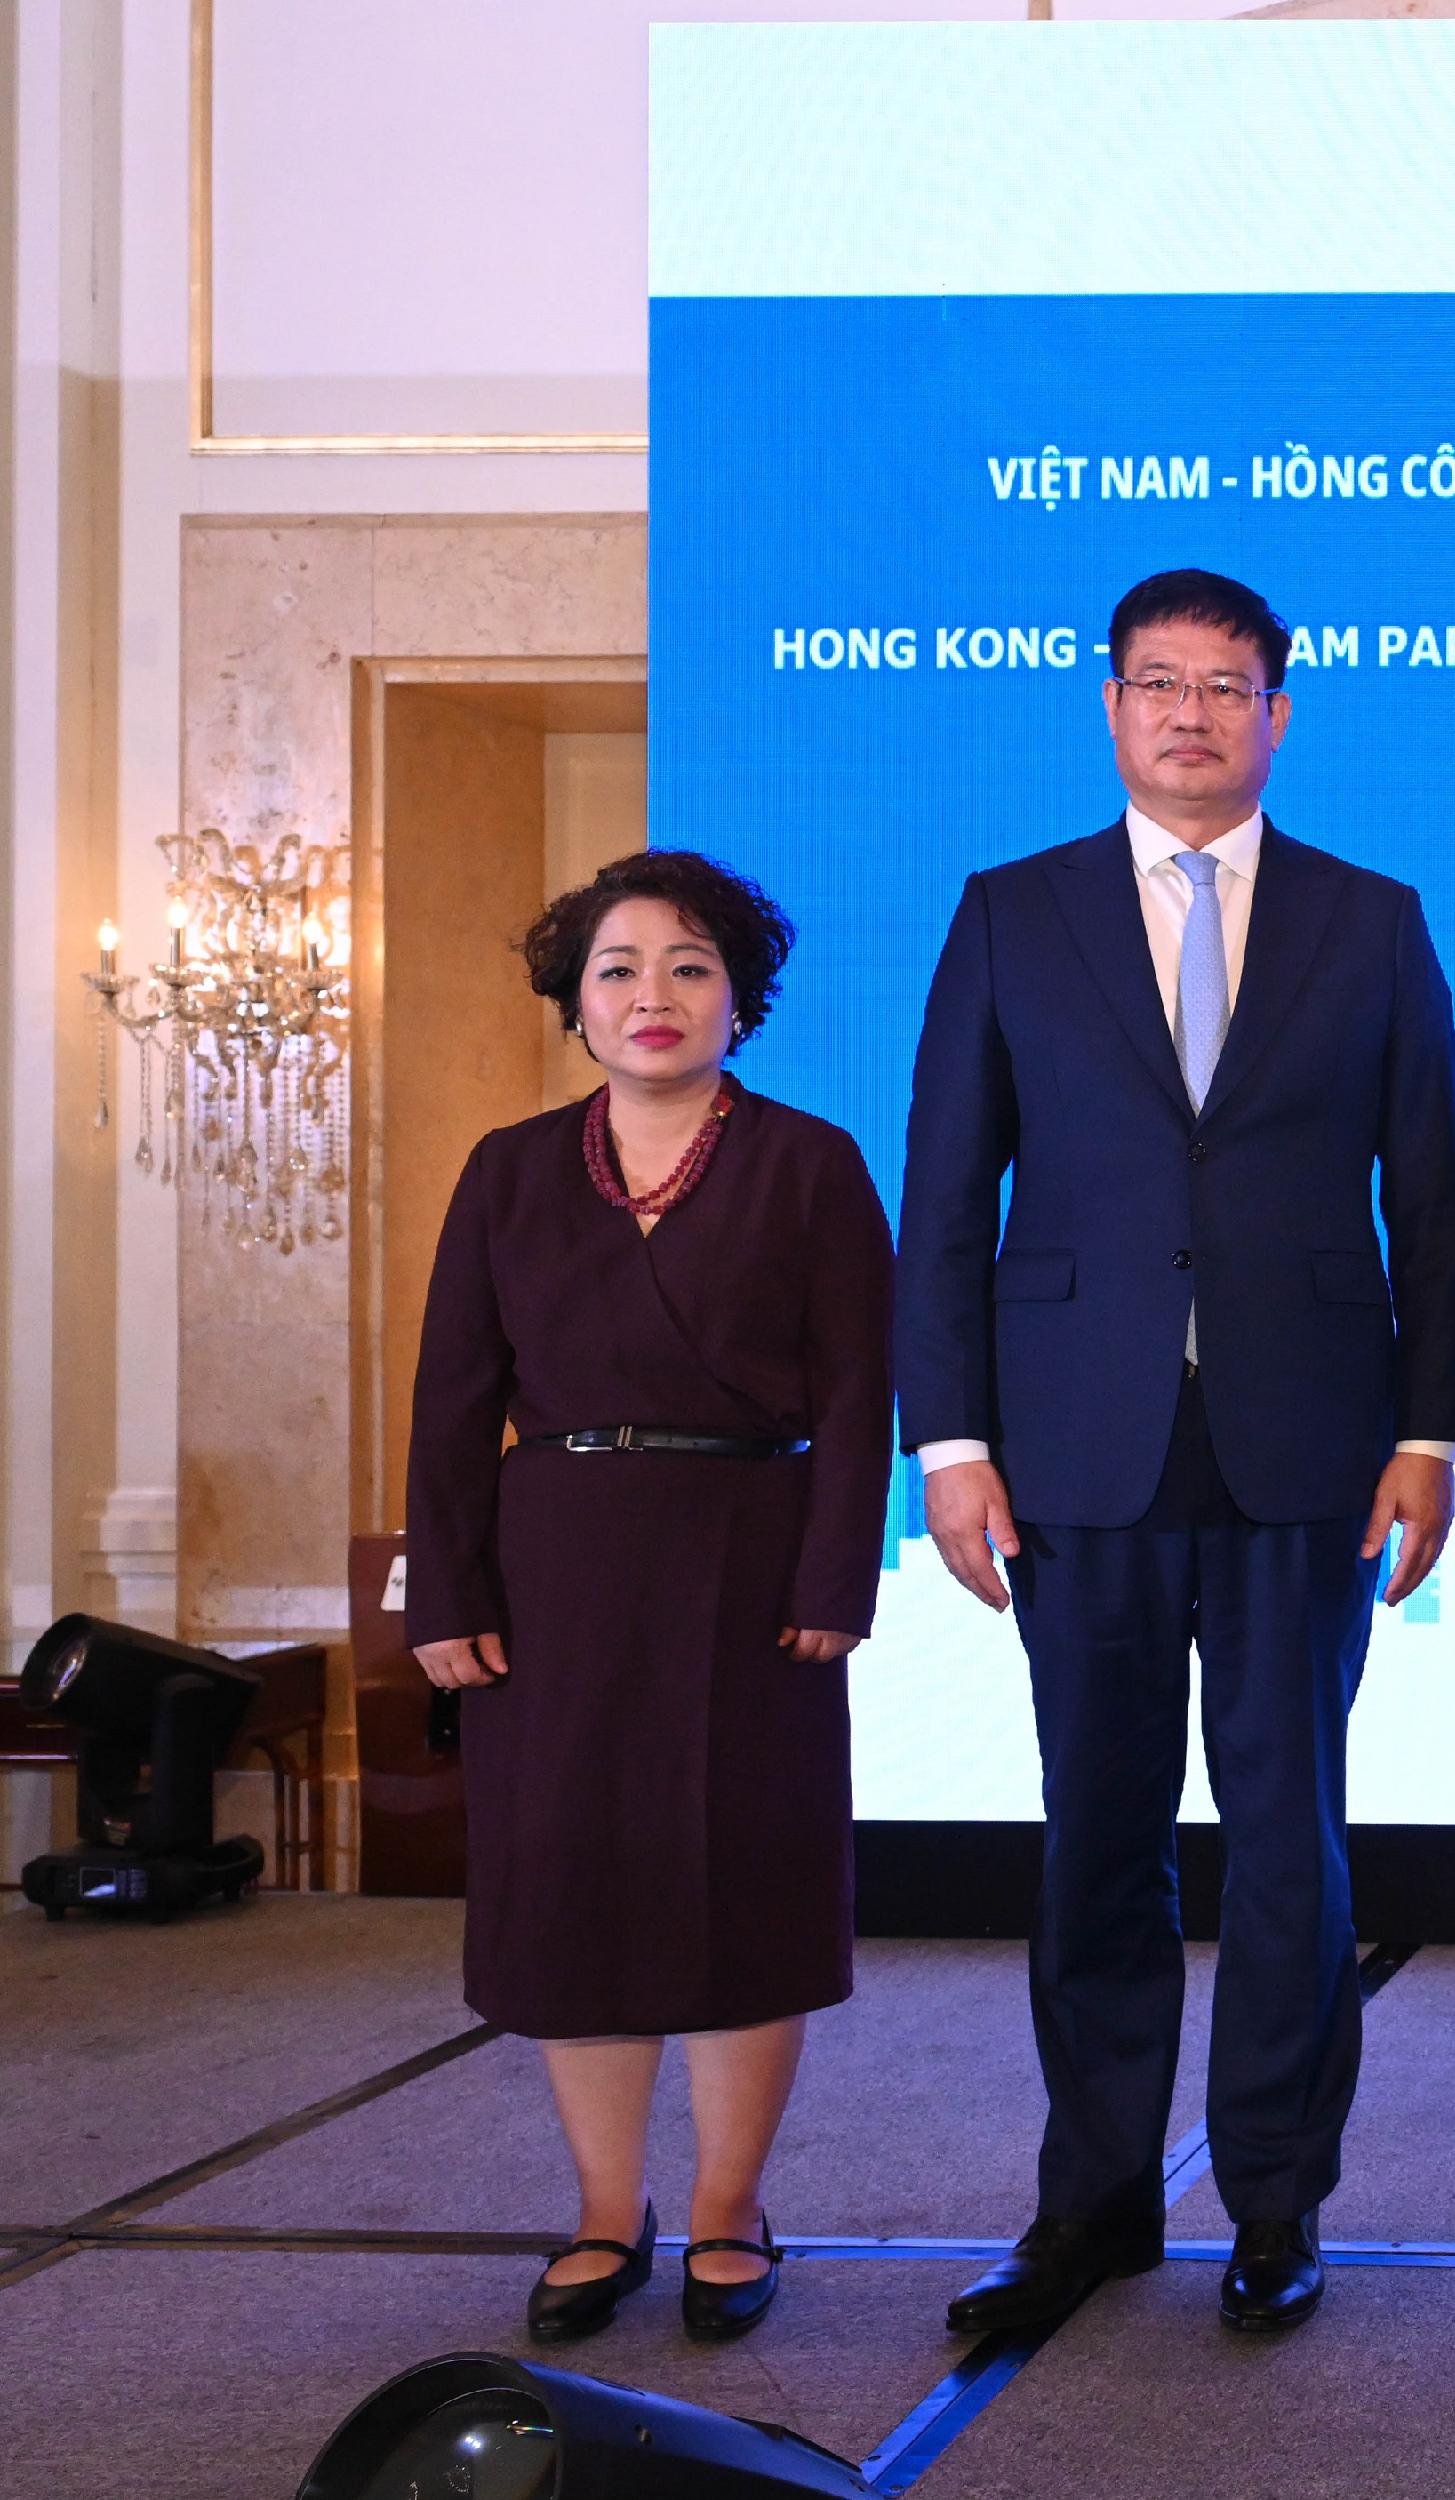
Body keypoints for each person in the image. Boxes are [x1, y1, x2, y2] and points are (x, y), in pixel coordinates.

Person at [899, 567, 1455, 2339]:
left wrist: (1432, 1433)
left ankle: (1278, 2203)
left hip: (1311, 1448)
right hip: (1076, 1452)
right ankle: (1090, 2205)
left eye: (1230, 688)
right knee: (1097, 1840)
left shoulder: (1371, 920)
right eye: (1161, 684)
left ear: (1279, 713)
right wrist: (953, 1447)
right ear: (1112, 704)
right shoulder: (1013, 911)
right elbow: (942, 1200)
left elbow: (1431, 1209)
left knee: (1293, 1844)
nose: (1195, 716)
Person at [406, 850, 892, 2348]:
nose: (653, 997)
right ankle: (606, 2211)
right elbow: (449, 1399)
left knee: (741, 1877)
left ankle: (734, 2209)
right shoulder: (508, 1168)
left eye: (689, 966)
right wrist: (446, 1592)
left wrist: (837, 1577)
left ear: (740, 997)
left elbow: (861, 1387)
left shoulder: (811, 1163)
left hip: (753, 1565)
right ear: (576, 1004)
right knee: (578, 1888)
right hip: (553, 1567)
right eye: (618, 969)